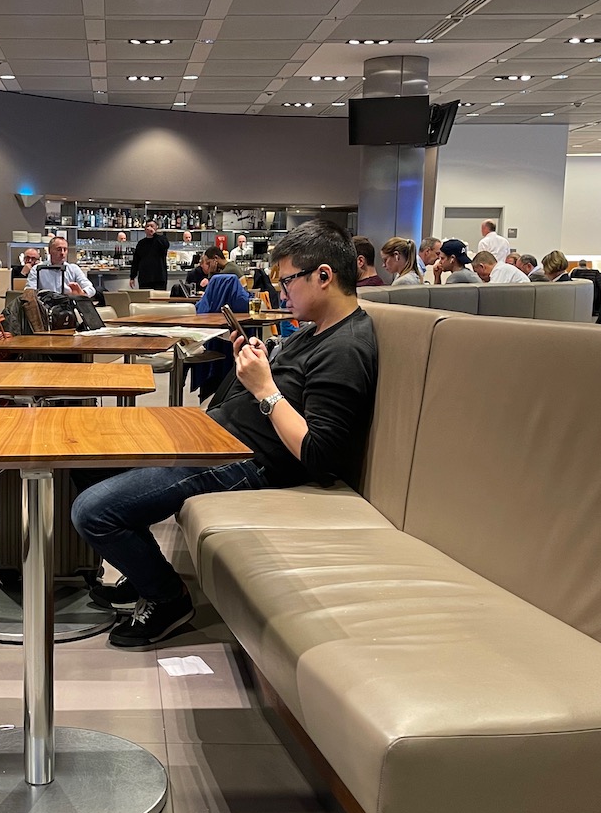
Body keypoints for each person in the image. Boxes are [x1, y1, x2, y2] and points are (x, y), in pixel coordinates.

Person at [72, 220, 377, 648]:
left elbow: (319, 453)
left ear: (324, 276)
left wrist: (265, 388)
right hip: (217, 436)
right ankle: (145, 575)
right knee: (87, 461)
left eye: (287, 280)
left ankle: (168, 598)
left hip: (247, 461)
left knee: (93, 511)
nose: (281, 292)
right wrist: (259, 364)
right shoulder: (313, 329)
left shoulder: (346, 347)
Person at [25, 235, 95, 297]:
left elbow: (91, 289)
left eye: (65, 249)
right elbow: (29, 291)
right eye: (59, 249)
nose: (62, 253)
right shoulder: (37, 269)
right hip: (44, 307)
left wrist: (81, 293)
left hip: (67, 307)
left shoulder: (73, 269)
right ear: (50, 251)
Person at [130, 220, 169, 290]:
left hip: (159, 278)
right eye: (147, 226)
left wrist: (154, 234)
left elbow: (165, 245)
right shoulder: (141, 243)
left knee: (159, 299)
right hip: (144, 278)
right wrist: (132, 277)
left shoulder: (161, 239)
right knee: (144, 299)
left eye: (152, 226)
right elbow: (136, 261)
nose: (149, 228)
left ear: (156, 228)